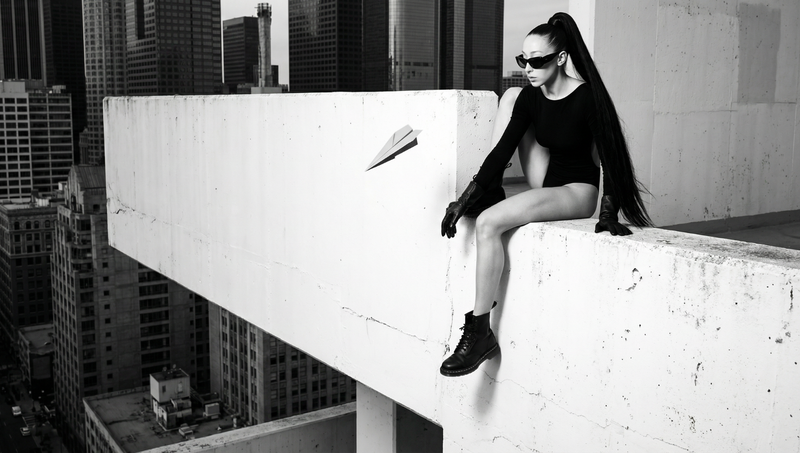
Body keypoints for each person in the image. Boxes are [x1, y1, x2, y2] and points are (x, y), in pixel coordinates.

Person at [438, 12, 653, 377]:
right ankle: (489, 194)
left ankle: (480, 333)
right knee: (512, 96)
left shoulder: (587, 98)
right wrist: (469, 195)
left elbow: (611, 158)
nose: (529, 68)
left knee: (489, 224)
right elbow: (503, 149)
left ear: (562, 58)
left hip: (576, 190)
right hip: (547, 176)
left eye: (537, 61)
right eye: (524, 60)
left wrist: (608, 211)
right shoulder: (532, 97)